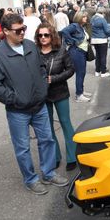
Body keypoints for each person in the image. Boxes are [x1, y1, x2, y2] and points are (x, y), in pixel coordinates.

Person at [0, 13, 68, 195]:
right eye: (18, 30)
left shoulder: (30, 46)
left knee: (47, 140)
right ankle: (30, 179)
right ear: (5, 31)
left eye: (24, 29)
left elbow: (40, 69)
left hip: (39, 106)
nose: (22, 33)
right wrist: (14, 98)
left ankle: (48, 173)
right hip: (18, 111)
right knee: (22, 148)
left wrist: (42, 90)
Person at [35, 23, 77, 171]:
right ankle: (55, 157)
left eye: (46, 35)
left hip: (60, 92)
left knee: (66, 123)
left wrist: (55, 78)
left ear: (52, 35)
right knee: (48, 128)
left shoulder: (60, 51)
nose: (43, 38)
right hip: (43, 95)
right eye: (40, 35)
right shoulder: (34, 52)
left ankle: (72, 157)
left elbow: (71, 69)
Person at [61, 11, 92, 103]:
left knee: (82, 73)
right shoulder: (74, 26)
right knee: (80, 73)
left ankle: (81, 91)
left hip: (81, 52)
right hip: (76, 52)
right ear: (79, 18)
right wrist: (73, 41)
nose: (86, 18)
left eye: (86, 17)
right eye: (83, 17)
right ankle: (79, 95)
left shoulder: (81, 27)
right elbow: (64, 31)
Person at [90, 7, 110, 78]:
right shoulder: (102, 20)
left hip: (94, 39)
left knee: (98, 56)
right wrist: (109, 35)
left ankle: (97, 70)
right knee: (103, 56)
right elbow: (107, 31)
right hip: (102, 39)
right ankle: (103, 72)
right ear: (102, 13)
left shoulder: (92, 18)